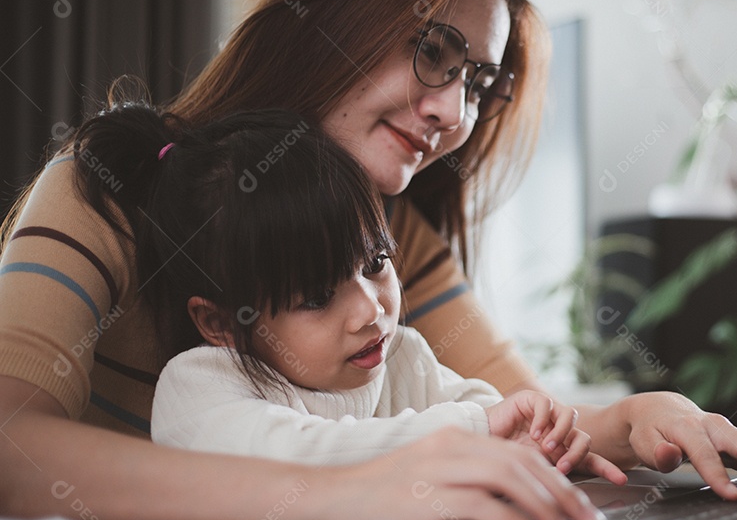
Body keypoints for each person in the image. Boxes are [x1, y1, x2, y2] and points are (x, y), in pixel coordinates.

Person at [0, 0, 737, 520]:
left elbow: (514, 416)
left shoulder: (395, 234)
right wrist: (354, 493)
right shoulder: (106, 185)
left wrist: (636, 417)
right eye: (435, 51)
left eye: (476, 81)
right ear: (325, 18)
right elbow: (11, 448)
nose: (453, 112)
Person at [74, 102, 623, 480]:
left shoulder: (405, 361)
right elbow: (287, 456)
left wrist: (538, 442)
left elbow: (487, 415)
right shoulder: (201, 387)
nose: (371, 309)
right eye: (315, 297)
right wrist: (474, 430)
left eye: (376, 262)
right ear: (220, 323)